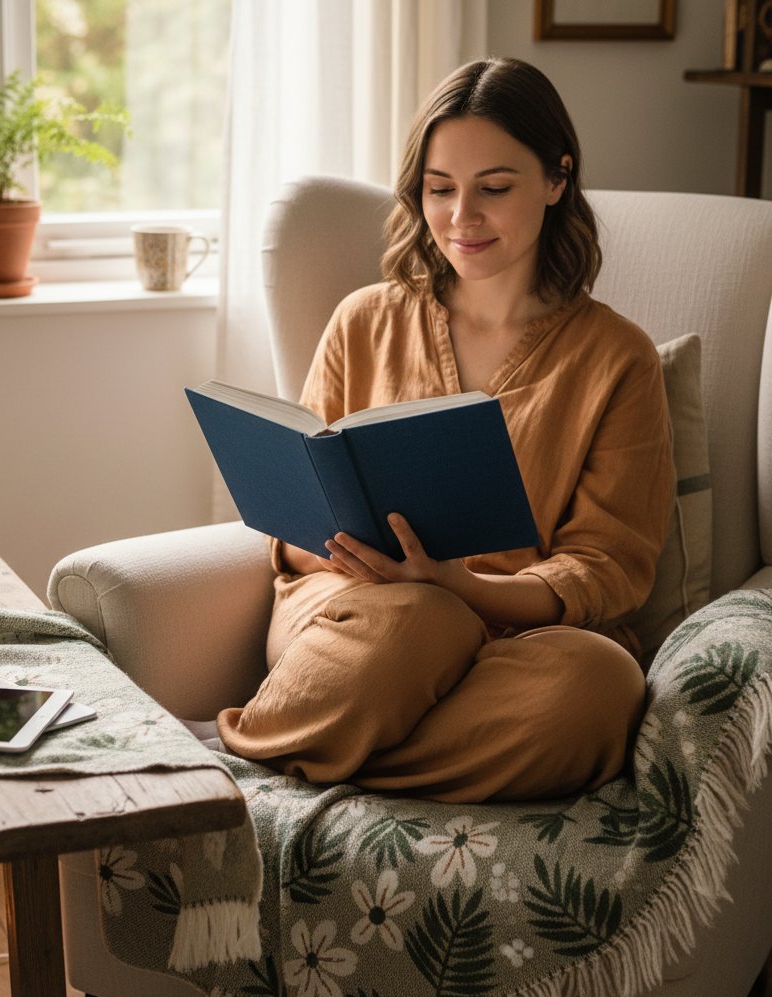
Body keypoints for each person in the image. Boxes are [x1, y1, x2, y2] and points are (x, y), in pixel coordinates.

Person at [214, 57, 675, 803]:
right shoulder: (362, 320)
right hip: (361, 618)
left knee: (600, 687)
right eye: (439, 189)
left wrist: (468, 589)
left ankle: (291, 754)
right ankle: (320, 739)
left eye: (494, 188)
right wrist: (361, 554)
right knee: (417, 624)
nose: (463, 216)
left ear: (557, 180)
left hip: (517, 641)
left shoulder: (616, 358)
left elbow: (609, 565)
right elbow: (295, 526)